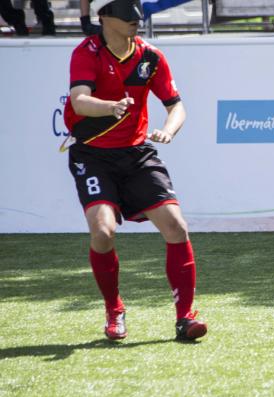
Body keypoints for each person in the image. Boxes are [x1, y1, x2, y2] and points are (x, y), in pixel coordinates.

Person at [63, 0, 207, 341]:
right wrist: (110, 107)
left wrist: (169, 130)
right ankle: (114, 309)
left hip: (138, 154)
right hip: (93, 155)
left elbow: (176, 105)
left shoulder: (150, 56)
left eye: (135, 13)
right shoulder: (87, 52)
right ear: (104, 18)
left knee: (176, 226)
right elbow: (79, 100)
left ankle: (185, 317)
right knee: (103, 233)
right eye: (125, 14)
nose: (135, 20)